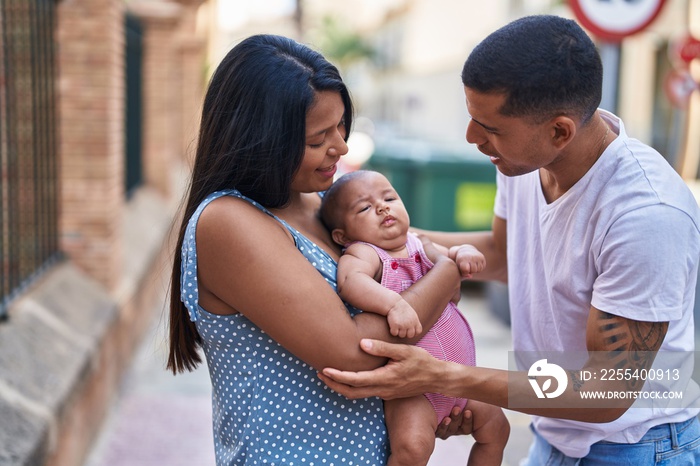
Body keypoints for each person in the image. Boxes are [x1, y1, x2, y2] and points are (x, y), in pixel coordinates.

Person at [319, 14, 700, 464]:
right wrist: (394, 248)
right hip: (555, 435)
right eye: (473, 118)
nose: (472, 137)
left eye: (491, 128)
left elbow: (607, 391)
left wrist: (448, 377)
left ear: (559, 130)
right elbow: (504, 252)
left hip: (638, 446)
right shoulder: (523, 159)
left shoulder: (646, 215)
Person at [166, 34, 470, 465]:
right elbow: (354, 353)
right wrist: (449, 272)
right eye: (318, 139)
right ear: (261, 140)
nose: (342, 147)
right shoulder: (228, 222)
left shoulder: (320, 205)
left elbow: (413, 250)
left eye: (341, 126)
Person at [319, 169, 509, 466]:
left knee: (497, 430)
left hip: (461, 380)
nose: (382, 207)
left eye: (389, 197)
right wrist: (393, 304)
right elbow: (351, 282)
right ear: (342, 235)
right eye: (365, 207)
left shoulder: (418, 242)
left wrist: (465, 252)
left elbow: (451, 257)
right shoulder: (364, 252)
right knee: (412, 449)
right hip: (412, 390)